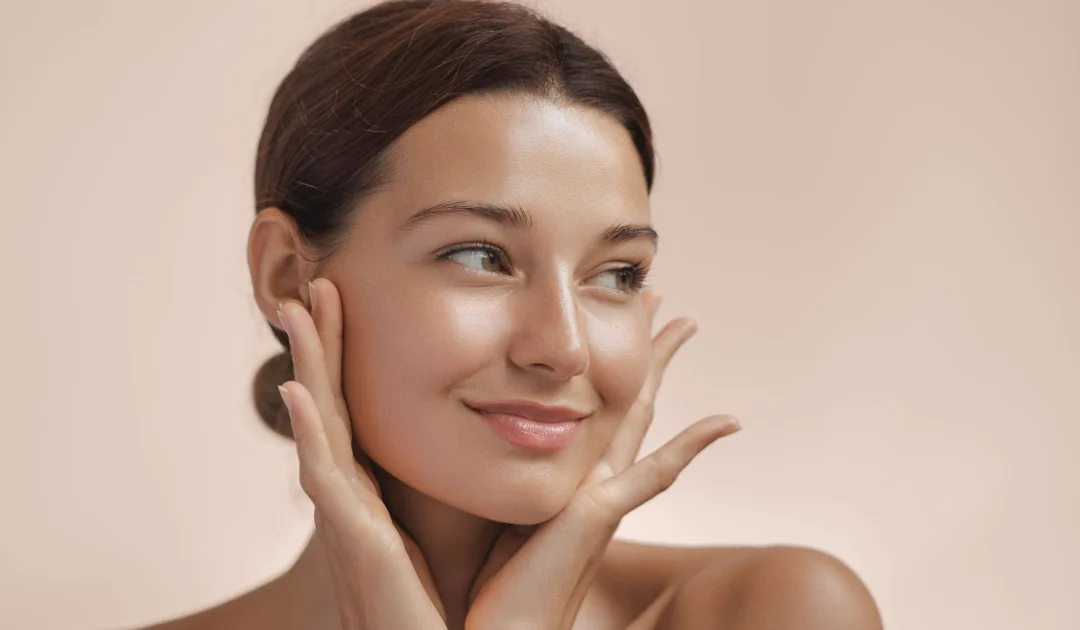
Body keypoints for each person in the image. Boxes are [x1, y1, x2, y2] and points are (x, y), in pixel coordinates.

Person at [141, 1, 882, 628]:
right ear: (287, 275)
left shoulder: (773, 611)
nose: (563, 348)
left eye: (617, 274)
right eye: (480, 256)